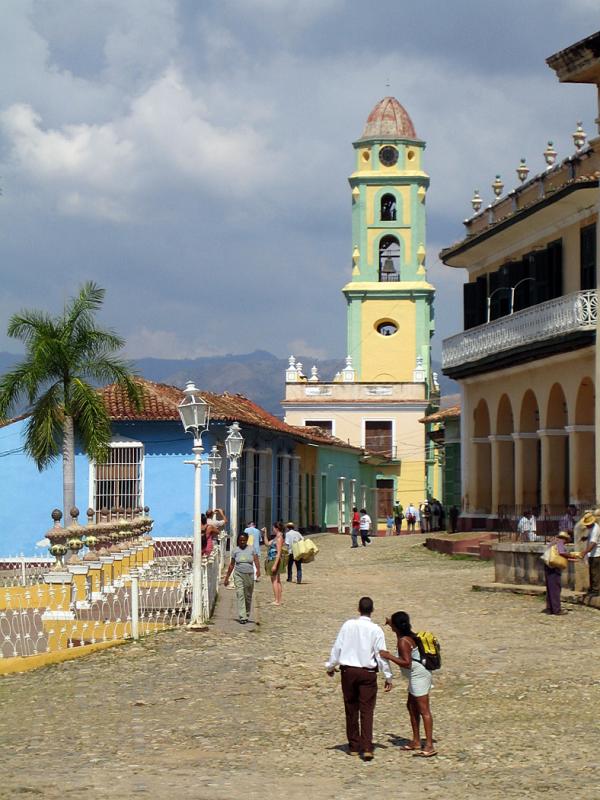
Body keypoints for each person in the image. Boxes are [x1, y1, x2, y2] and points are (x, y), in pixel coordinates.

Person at [325, 596, 393, 760]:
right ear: (372, 610)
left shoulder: (348, 625)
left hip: (348, 672)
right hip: (367, 673)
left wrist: (330, 666)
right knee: (367, 710)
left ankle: (354, 745)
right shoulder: (376, 630)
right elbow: (381, 654)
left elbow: (338, 647)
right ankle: (367, 747)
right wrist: (388, 676)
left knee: (351, 708)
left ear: (358, 609)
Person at [379, 611, 436, 757]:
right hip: (415, 676)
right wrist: (390, 622)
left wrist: (389, 656)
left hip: (418, 676)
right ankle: (416, 740)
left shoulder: (403, 641)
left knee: (424, 710)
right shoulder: (407, 634)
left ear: (397, 627)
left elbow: (407, 663)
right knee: (411, 706)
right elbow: (397, 625)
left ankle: (429, 746)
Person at [223, 532, 260, 623]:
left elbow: (256, 560)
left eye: (244, 540)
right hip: (238, 574)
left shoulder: (252, 549)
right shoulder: (235, 551)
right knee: (240, 594)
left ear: (247, 540)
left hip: (249, 574)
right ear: (238, 541)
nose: (242, 542)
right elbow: (232, 565)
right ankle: (242, 616)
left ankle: (247, 614)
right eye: (240, 540)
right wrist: (227, 577)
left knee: (248, 595)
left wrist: (258, 570)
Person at [543, 531, 578, 615]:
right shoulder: (560, 542)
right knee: (555, 588)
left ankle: (550, 608)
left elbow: (558, 555)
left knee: (550, 588)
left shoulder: (552, 543)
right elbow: (562, 553)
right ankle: (556, 609)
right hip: (554, 567)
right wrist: (572, 556)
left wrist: (570, 559)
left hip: (548, 565)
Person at [265, 521, 286, 605]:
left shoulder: (279, 538)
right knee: (277, 581)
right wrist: (265, 533)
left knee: (274, 581)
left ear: (276, 528)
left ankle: (277, 600)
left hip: (274, 559)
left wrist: (275, 565)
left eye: (273, 528)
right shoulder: (276, 537)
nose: (272, 529)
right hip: (273, 559)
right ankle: (278, 599)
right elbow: (267, 544)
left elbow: (279, 552)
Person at [580, 511, 600, 595]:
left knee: (595, 572)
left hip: (596, 554)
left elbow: (593, 543)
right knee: (591, 572)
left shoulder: (596, 529)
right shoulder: (591, 528)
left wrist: (584, 552)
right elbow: (591, 538)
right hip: (592, 554)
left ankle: (596, 590)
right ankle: (592, 588)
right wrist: (586, 538)